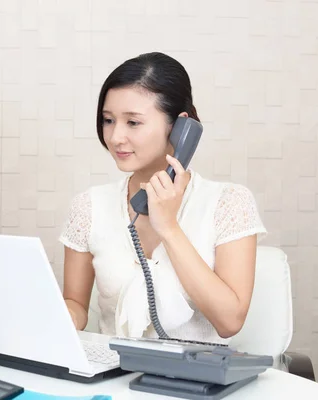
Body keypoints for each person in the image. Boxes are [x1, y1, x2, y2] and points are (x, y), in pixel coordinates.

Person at [59, 52, 267, 345]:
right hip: (113, 378)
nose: (116, 136)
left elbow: (230, 321)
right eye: (108, 120)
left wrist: (168, 227)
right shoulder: (89, 206)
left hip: (194, 385)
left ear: (180, 127)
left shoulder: (229, 203)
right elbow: (76, 305)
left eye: (133, 122)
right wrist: (61, 314)